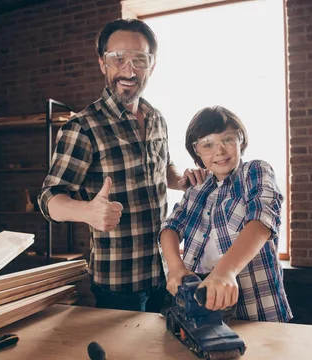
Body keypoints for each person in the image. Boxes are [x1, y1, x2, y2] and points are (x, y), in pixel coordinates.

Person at [37, 18, 205, 312]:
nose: (129, 70)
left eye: (139, 60)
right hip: (119, 282)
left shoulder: (156, 118)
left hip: (165, 271)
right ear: (103, 63)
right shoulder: (83, 127)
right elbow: (49, 197)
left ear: (151, 65)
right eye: (118, 59)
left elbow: (164, 169)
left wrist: (184, 180)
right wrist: (86, 211)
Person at [159, 106, 292, 322]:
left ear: (241, 141)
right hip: (199, 309)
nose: (219, 151)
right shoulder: (196, 189)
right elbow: (170, 228)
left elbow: (262, 219)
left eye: (228, 139)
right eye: (208, 144)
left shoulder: (255, 171)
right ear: (197, 152)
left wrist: (225, 272)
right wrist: (175, 268)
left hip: (256, 311)